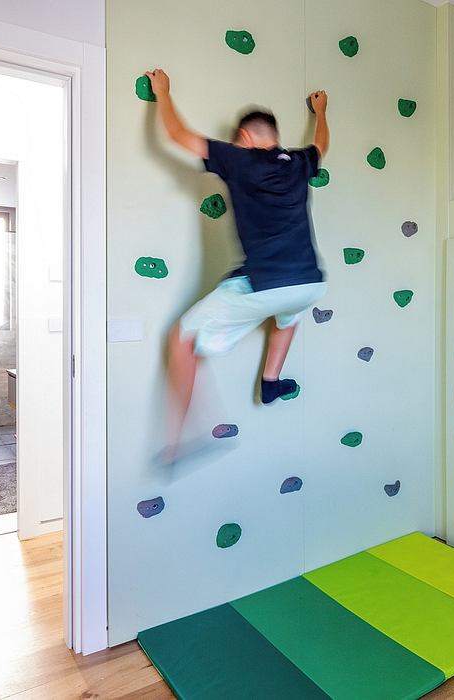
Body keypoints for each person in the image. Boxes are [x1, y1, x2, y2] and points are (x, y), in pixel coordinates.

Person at [145, 68, 329, 456]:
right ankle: (271, 379)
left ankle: (183, 434)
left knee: (182, 337)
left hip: (265, 283)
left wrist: (163, 91)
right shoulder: (298, 162)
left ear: (244, 138)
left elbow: (177, 135)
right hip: (310, 283)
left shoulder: (239, 158)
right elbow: (322, 146)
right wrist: (322, 112)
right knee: (289, 315)